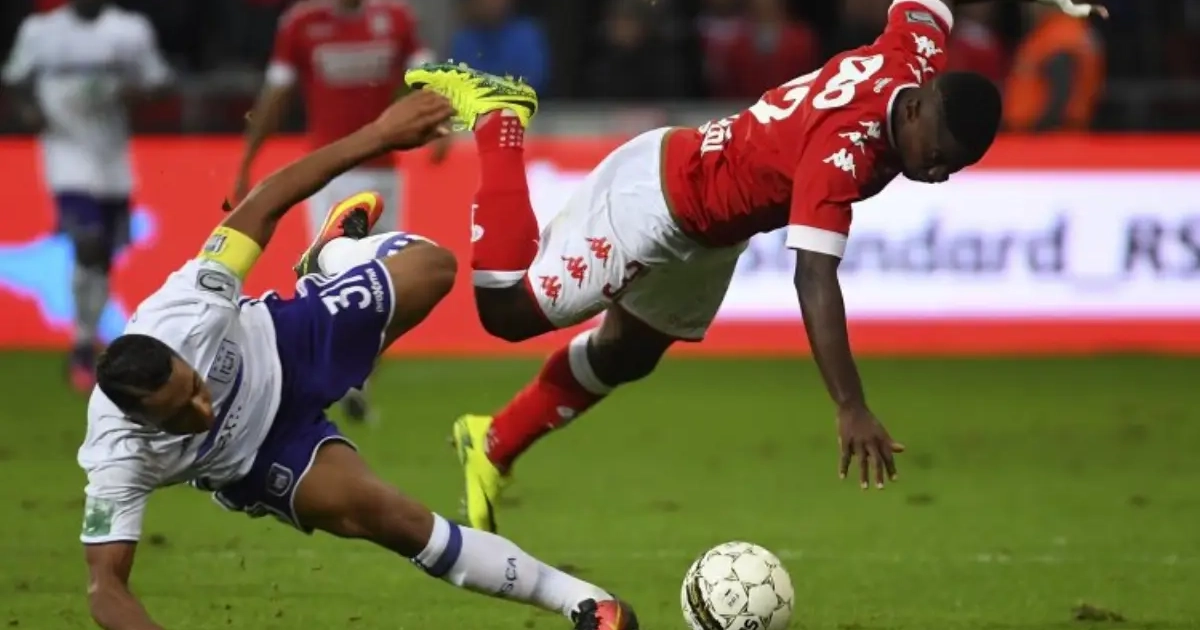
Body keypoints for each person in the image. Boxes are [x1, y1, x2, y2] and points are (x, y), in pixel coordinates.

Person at [406, 0, 1107, 534]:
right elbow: (814, 278)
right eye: (938, 154)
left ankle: (493, 441)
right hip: (657, 201)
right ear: (920, 109)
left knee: (627, 355)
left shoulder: (916, 53)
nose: (936, 172)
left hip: (713, 233)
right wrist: (850, 406)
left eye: (953, 167)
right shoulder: (845, 150)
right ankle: (501, 120)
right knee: (506, 312)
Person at [79, 90, 638, 630]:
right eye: (180, 415)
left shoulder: (189, 308)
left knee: (433, 268)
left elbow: (267, 201)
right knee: (396, 521)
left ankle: (331, 254)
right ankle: (587, 604)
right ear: (139, 421)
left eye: (196, 386)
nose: (203, 408)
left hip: (287, 342)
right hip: (256, 454)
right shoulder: (116, 454)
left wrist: (378, 135)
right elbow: (106, 590)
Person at [232, 0, 445, 422]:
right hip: (328, 171)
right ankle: (329, 378)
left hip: (383, 170)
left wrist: (440, 127)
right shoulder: (301, 24)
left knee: (385, 277)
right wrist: (248, 159)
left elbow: (427, 76)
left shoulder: (396, 19)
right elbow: (277, 93)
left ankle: (357, 378)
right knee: (331, 275)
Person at [1, 0, 170, 392]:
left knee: (103, 255)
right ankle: (80, 346)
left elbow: (160, 82)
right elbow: (14, 80)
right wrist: (29, 112)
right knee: (88, 242)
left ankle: (85, 339)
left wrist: (133, 93)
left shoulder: (129, 30)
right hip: (65, 154)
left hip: (113, 159)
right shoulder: (40, 31)